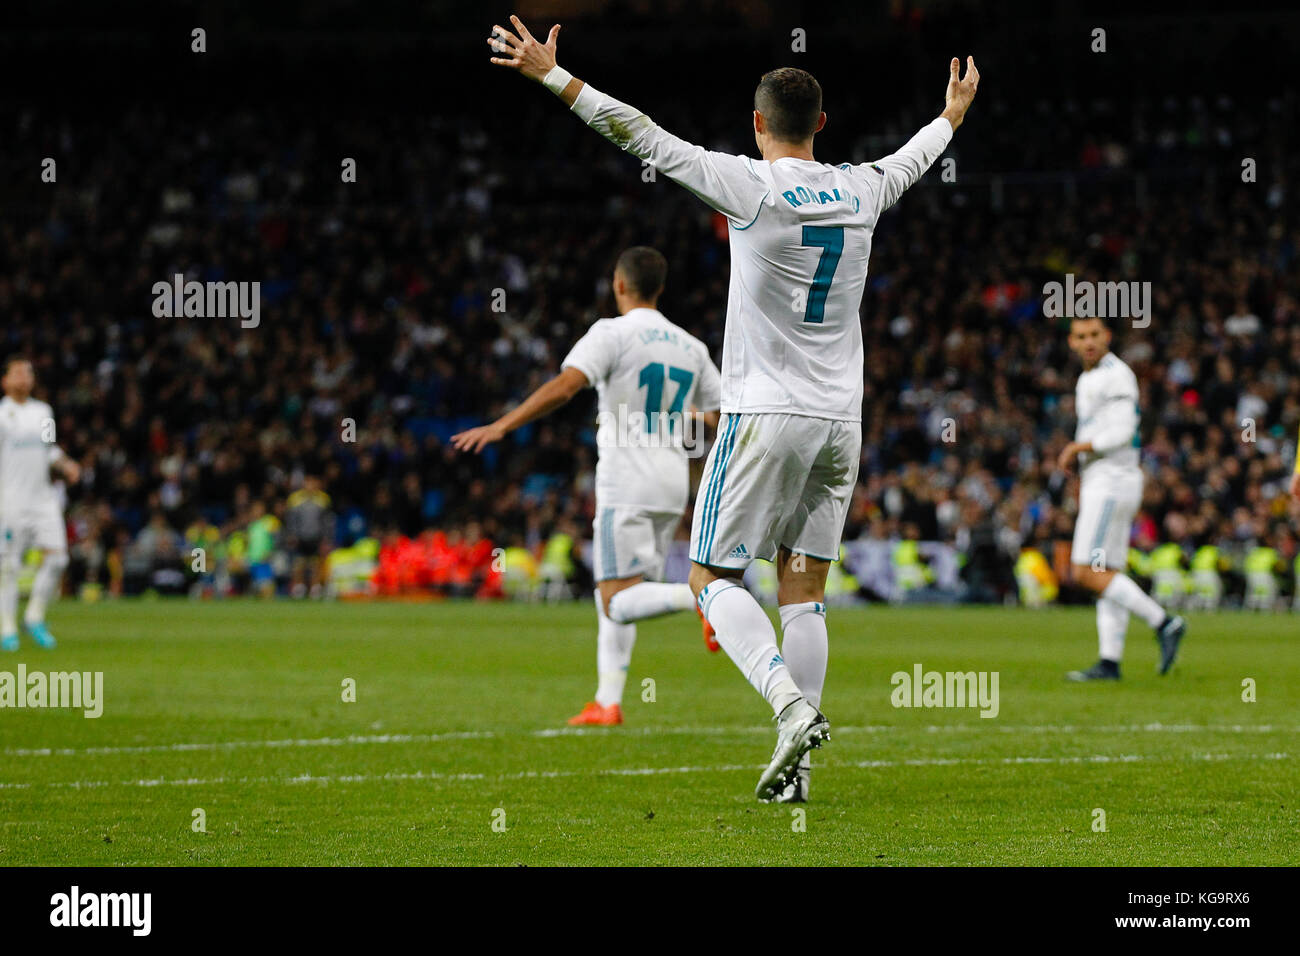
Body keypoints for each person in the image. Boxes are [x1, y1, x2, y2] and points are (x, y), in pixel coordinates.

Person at [485, 15, 977, 800]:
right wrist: (952, 113)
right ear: (821, 123)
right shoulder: (861, 186)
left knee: (711, 574)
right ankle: (799, 776)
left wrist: (551, 74)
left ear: (757, 125)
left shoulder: (749, 184)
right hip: (841, 422)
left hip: (763, 413)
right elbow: (916, 157)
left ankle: (786, 707)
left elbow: (641, 135)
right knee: (804, 588)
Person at [453, 248, 722, 725]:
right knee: (623, 592)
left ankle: (701, 595)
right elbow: (721, 417)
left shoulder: (611, 333)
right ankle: (608, 700)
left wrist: (502, 425)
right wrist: (678, 416)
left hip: (627, 478)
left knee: (617, 599)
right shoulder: (690, 346)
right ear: (659, 288)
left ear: (619, 285)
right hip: (672, 479)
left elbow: (565, 386)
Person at [1056, 317, 1186, 681]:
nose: (1089, 342)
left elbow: (1125, 431)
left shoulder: (1116, 374)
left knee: (1086, 570)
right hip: (1104, 480)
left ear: (1107, 336)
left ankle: (1165, 621)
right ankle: (1109, 662)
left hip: (1113, 481)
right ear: (1071, 342)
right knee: (1107, 573)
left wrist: (1078, 447)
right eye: (1081, 336)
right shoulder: (1088, 378)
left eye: (1095, 334)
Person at [0, 357, 81, 650]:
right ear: (5, 381)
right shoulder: (1, 415)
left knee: (59, 558)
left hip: (43, 499)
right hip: (10, 501)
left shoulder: (43, 411)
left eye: (28, 372)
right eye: (18, 372)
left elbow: (49, 449)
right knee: (8, 566)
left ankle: (34, 617)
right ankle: (7, 627)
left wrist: (66, 464)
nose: (24, 377)